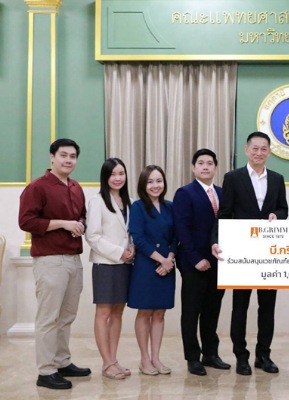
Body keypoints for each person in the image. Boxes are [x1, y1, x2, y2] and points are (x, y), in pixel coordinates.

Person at [211, 132, 288, 376]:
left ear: (270, 152)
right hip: (241, 252)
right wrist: (216, 240)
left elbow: (283, 209)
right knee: (240, 307)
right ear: (246, 150)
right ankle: (241, 356)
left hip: (269, 253)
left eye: (264, 148)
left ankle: (263, 355)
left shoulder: (277, 179)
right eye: (255, 148)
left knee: (267, 307)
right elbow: (224, 213)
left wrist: (277, 215)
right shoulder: (233, 178)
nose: (259, 153)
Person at [19, 138, 91, 390]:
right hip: (50, 260)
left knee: (66, 316)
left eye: (73, 156)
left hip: (73, 259)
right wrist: (63, 223)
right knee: (48, 318)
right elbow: (26, 222)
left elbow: (81, 215)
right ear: (52, 157)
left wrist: (80, 223)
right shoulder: (37, 187)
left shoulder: (76, 187)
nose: (68, 160)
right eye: (63, 155)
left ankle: (62, 361)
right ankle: (46, 371)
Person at [173, 149, 230, 376]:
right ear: (193, 167)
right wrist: (196, 258)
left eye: (209, 163)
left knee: (212, 310)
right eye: (201, 163)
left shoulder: (223, 193)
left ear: (216, 168)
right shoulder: (184, 193)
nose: (205, 167)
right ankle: (192, 357)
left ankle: (210, 354)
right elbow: (182, 229)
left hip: (219, 263)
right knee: (191, 311)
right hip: (193, 263)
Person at [85, 158, 134, 380]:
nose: (117, 178)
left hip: (125, 264)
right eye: (113, 174)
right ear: (105, 177)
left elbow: (131, 232)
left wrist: (131, 248)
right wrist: (118, 252)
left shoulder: (131, 201)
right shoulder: (97, 202)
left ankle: (114, 360)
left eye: (121, 173)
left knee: (118, 312)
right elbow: (92, 236)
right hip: (105, 263)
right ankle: (106, 363)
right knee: (103, 313)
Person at [128, 165, 177, 376]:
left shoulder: (170, 206)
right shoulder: (137, 207)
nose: (155, 185)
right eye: (150, 182)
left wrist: (170, 259)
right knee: (145, 311)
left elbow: (177, 236)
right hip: (146, 266)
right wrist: (161, 260)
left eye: (159, 181)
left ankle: (156, 358)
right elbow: (138, 238)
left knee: (160, 312)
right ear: (143, 185)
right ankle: (144, 359)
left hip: (168, 265)